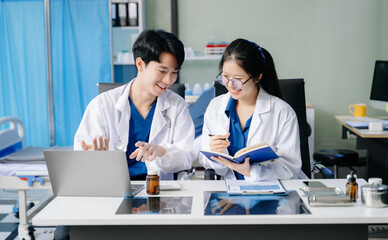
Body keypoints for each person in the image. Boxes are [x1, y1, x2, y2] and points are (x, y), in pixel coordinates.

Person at [74, 30, 195, 180]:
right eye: (162, 71)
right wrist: (93, 157)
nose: (168, 80)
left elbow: (187, 155)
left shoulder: (177, 106)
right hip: (113, 189)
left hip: (158, 190)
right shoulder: (102, 105)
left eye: (174, 72)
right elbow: (81, 153)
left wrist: (161, 151)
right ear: (140, 64)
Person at [199, 38, 301, 180]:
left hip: (269, 192)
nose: (230, 85)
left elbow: (290, 169)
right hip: (227, 192)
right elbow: (206, 161)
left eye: (238, 80)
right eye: (225, 77)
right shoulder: (215, 107)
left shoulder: (282, 112)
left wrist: (251, 172)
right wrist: (216, 152)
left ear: (257, 76)